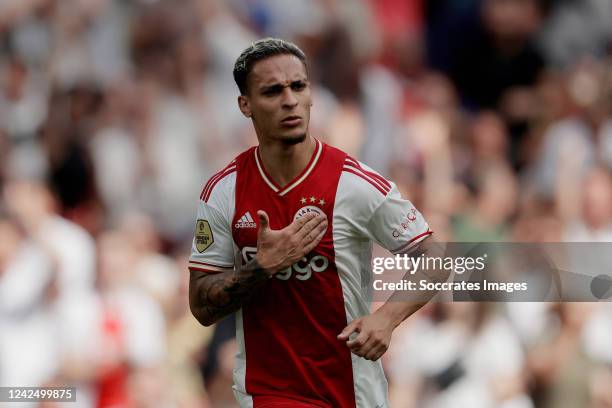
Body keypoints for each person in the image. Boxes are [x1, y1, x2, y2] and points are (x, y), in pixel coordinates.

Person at [188, 38, 440, 408]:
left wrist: (387, 318)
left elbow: (438, 258)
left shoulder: (354, 184)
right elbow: (200, 306)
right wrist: (260, 268)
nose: (289, 100)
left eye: (298, 86)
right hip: (269, 392)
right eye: (272, 91)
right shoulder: (223, 192)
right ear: (246, 106)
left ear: (310, 95)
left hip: (351, 392)